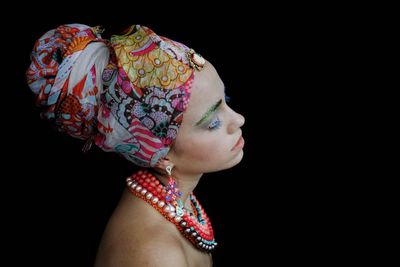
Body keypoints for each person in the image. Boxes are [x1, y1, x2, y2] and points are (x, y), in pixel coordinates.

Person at [26, 23, 245, 266]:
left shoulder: (176, 203)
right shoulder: (157, 255)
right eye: (212, 122)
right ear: (161, 156)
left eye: (225, 99)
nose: (239, 120)